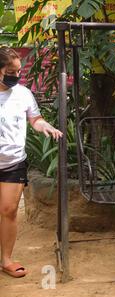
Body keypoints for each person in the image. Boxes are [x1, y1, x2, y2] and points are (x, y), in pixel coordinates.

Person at [0, 47, 63, 278]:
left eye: (18, 71)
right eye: (10, 71)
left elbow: (34, 119)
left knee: (8, 210)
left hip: (13, 162)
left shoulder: (23, 94)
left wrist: (44, 125)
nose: (16, 76)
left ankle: (6, 259)